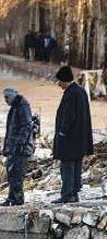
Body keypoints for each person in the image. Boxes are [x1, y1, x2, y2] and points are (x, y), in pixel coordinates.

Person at [52, 66, 94, 204]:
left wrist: (62, 132)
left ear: (64, 80)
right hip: (81, 139)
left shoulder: (70, 94)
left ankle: (67, 195)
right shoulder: (81, 92)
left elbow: (68, 116)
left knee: (67, 167)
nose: (58, 84)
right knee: (76, 166)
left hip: (69, 139)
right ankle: (74, 194)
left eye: (59, 81)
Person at [0, 88, 34, 206]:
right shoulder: (15, 107)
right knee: (12, 174)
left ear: (13, 96)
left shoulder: (22, 106)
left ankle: (18, 200)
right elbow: (10, 130)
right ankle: (11, 198)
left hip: (21, 148)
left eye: (7, 98)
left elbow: (26, 126)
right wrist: (7, 148)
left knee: (17, 174)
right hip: (13, 147)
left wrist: (20, 143)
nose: (5, 101)